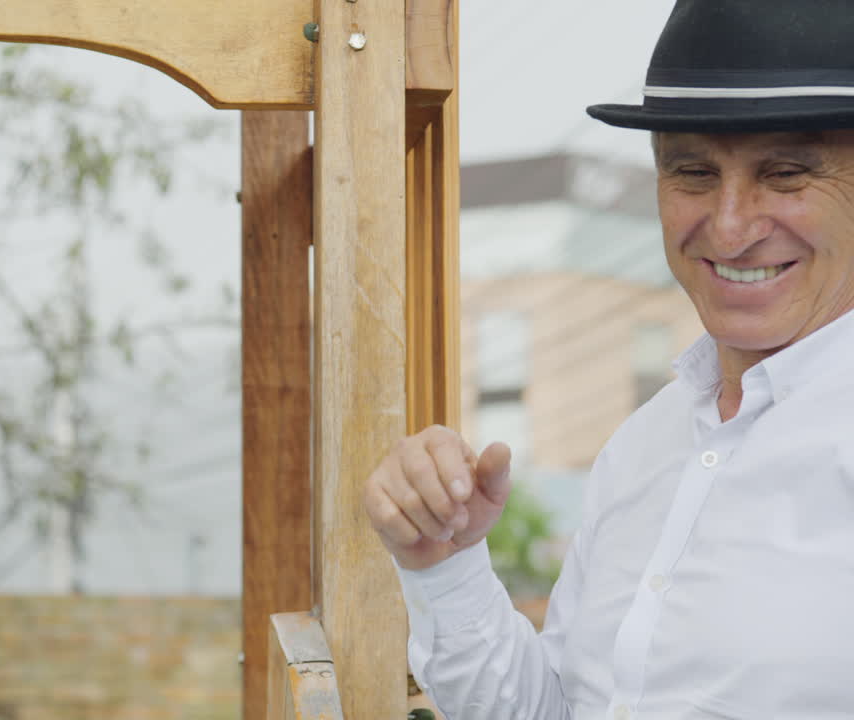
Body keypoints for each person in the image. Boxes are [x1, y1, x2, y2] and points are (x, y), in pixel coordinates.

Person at [364, 1, 854, 718]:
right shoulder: (645, 444)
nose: (729, 225)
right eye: (692, 172)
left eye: (785, 173)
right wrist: (444, 565)